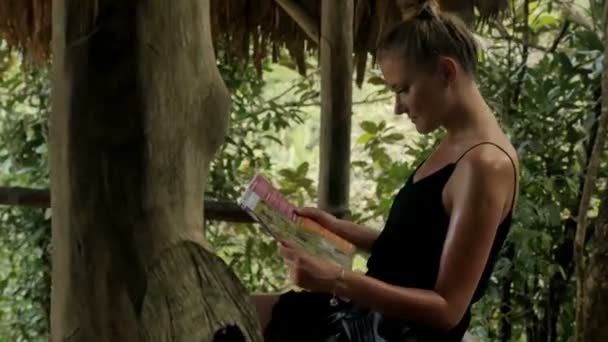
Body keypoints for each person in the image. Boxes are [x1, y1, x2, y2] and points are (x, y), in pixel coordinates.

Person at [254, 1, 519, 341]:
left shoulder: (485, 165)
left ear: (447, 72)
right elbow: (413, 253)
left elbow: (447, 310)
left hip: (390, 332)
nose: (397, 108)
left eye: (403, 89)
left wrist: (336, 279)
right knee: (224, 311)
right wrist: (338, 229)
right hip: (364, 314)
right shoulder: (456, 143)